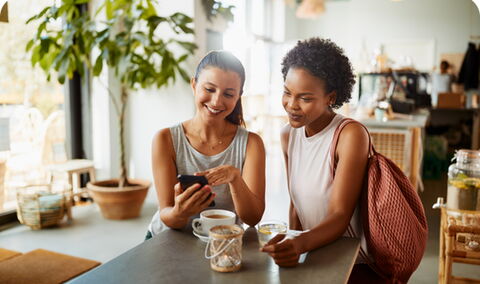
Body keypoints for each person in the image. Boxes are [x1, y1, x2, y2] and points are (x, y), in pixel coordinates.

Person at [260, 38, 384, 282]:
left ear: (331, 97)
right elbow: (295, 205)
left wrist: (299, 243)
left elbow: (339, 215)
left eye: (305, 98)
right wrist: (291, 242)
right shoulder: (288, 134)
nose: (291, 105)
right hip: (314, 253)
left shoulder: (349, 135)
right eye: (287, 93)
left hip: (355, 262)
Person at [146, 51, 266, 240]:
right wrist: (180, 212)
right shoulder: (165, 139)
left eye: (228, 94)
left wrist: (235, 178)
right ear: (194, 85)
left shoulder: (251, 143)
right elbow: (168, 217)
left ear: (238, 96)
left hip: (222, 240)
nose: (217, 101)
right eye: (209, 89)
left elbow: (252, 219)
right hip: (169, 239)